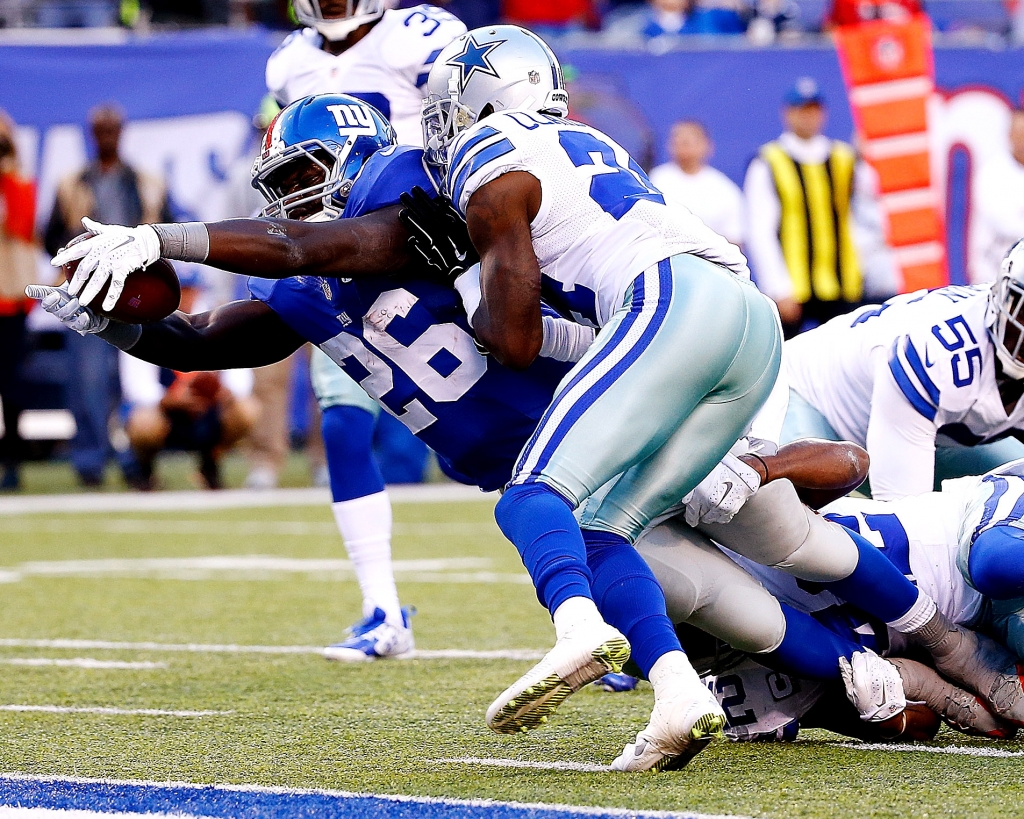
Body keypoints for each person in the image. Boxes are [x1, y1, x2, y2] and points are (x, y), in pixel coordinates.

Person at [47, 30, 998, 771]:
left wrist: (166, 237)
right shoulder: (319, 273)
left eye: (304, 179)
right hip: (609, 390)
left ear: (354, 157)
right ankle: (851, 680)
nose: (295, 202)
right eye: (281, 188)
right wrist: (114, 321)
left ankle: (932, 643)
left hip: (610, 386)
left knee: (766, 521)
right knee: (691, 582)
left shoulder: (411, 196)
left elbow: (313, 250)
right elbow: (215, 331)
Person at [264, 2, 466, 658]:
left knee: (516, 438)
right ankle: (381, 609)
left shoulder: (419, 35)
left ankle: (602, 613)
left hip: (433, 249)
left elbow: (464, 121)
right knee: (344, 422)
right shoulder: (290, 63)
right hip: (338, 258)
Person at [781, 240, 1024, 500]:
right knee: (791, 520)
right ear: (1003, 298)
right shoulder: (940, 354)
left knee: (1014, 500)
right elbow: (905, 519)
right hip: (815, 400)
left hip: (931, 431)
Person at [43, 104, 172, 487]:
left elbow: (170, 233)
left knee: (136, 380)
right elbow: (49, 236)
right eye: (99, 131)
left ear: (122, 132)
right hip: (85, 291)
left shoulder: (147, 182)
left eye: (112, 130)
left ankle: (137, 462)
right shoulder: (72, 183)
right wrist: (78, 250)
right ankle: (90, 462)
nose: (106, 137)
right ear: (90, 134)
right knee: (88, 380)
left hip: (135, 292)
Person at [744, 78, 862, 338]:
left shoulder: (844, 158)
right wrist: (778, 287)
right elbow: (760, 230)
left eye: (814, 110)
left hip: (841, 282)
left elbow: (861, 216)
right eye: (802, 110)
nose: (809, 117)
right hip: (794, 285)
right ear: (788, 113)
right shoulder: (769, 161)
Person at [0, 110, 37, 491]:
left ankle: (12, 459)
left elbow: (21, 224)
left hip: (8, 296)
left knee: (11, 384)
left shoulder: (19, 183)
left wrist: (8, 166)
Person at [648, 120, 745, 247]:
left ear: (706, 145)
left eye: (686, 142)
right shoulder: (655, 179)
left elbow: (734, 240)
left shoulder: (724, 190)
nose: (681, 146)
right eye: (675, 141)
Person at [971, 108, 1024, 284]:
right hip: (993, 276)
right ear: (1009, 136)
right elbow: (1007, 226)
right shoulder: (992, 174)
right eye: (1019, 134)